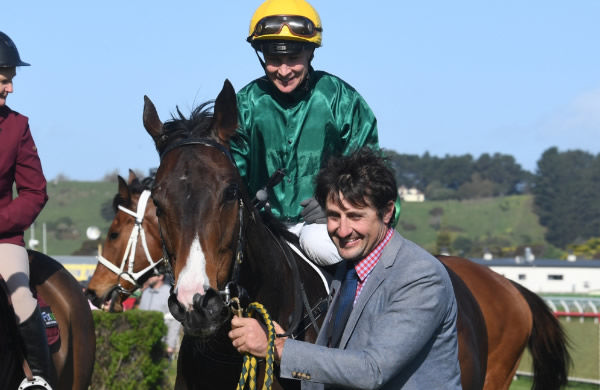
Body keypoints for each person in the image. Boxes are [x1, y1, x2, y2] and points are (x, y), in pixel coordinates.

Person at [229, 148, 462, 389]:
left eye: (355, 216)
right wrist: (281, 345)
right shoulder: (348, 269)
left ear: (387, 212)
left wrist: (277, 349)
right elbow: (335, 368)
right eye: (334, 216)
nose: (342, 230)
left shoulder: (420, 276)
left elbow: (372, 371)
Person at [232, 0, 399, 266]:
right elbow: (229, 173)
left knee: (318, 243)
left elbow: (371, 173)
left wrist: (334, 205)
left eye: (293, 59)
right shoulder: (244, 104)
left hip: (323, 226)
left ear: (310, 53)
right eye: (274, 59)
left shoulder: (342, 100)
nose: (284, 71)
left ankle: (360, 305)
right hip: (260, 226)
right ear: (262, 55)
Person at [0, 31, 54, 388]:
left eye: (11, 81)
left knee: (20, 298)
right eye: (5, 80)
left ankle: (38, 379)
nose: (10, 89)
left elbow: (35, 191)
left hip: (2, 239)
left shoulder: (18, 126)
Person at [138, 274, 182, 360]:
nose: (149, 277)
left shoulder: (169, 294)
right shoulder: (146, 292)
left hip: (162, 344)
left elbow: (175, 321)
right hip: (143, 343)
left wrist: (170, 345)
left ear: (161, 276)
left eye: (152, 275)